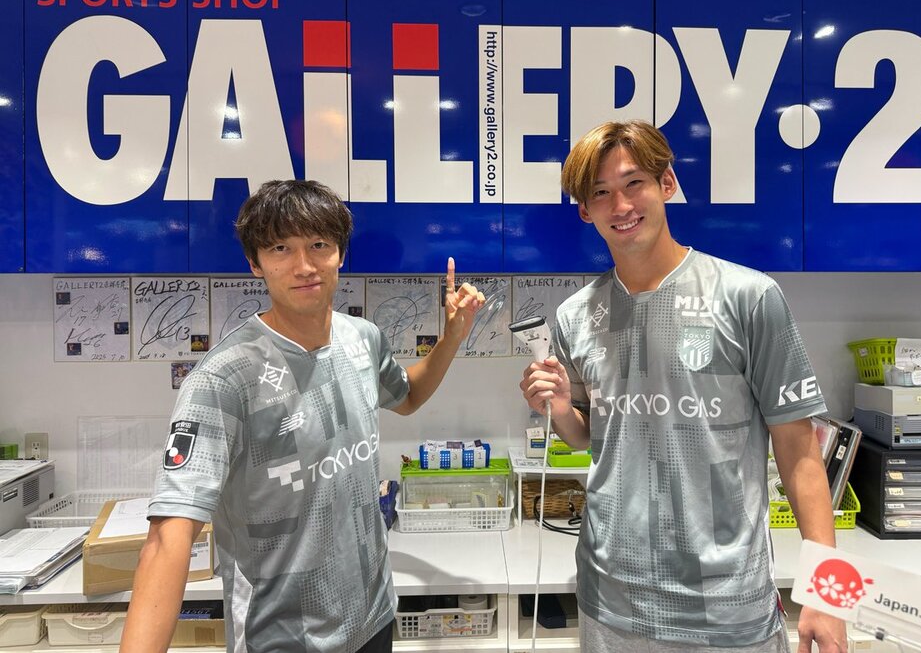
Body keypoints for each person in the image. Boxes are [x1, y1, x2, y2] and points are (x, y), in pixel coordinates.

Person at [519, 121, 846, 653]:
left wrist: (828, 593)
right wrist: (558, 408)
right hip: (610, 599)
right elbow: (587, 436)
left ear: (666, 183)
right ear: (585, 211)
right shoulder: (576, 315)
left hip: (727, 604)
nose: (621, 205)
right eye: (600, 193)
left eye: (634, 183)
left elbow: (799, 449)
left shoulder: (748, 297)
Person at [121, 179, 485, 653]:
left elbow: (408, 396)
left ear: (340, 254)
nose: (304, 265)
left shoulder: (363, 338)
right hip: (282, 637)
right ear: (255, 263)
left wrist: (452, 336)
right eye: (280, 248)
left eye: (318, 245)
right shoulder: (223, 379)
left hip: (373, 617)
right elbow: (168, 537)